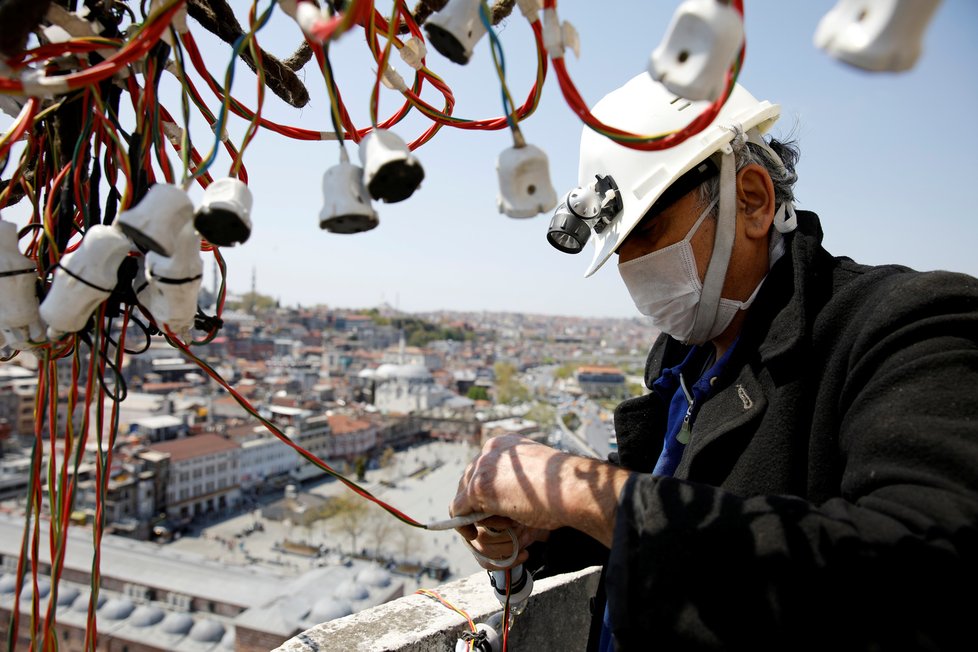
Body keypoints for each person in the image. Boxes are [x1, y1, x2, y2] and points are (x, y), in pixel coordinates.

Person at [450, 73, 978, 650]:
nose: (635, 269)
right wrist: (550, 527)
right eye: (622, 249)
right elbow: (675, 504)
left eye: (649, 231)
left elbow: (926, 580)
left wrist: (578, 489)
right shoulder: (690, 366)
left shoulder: (906, 324)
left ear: (751, 199)